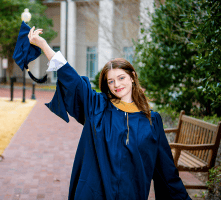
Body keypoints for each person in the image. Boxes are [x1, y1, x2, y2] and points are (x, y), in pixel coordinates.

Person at [28, 27, 192, 200]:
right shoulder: (98, 107)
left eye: (121, 78)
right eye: (111, 81)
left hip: (132, 194)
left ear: (132, 77)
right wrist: (44, 45)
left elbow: (166, 169)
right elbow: (73, 80)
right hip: (94, 193)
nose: (117, 85)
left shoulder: (152, 120)